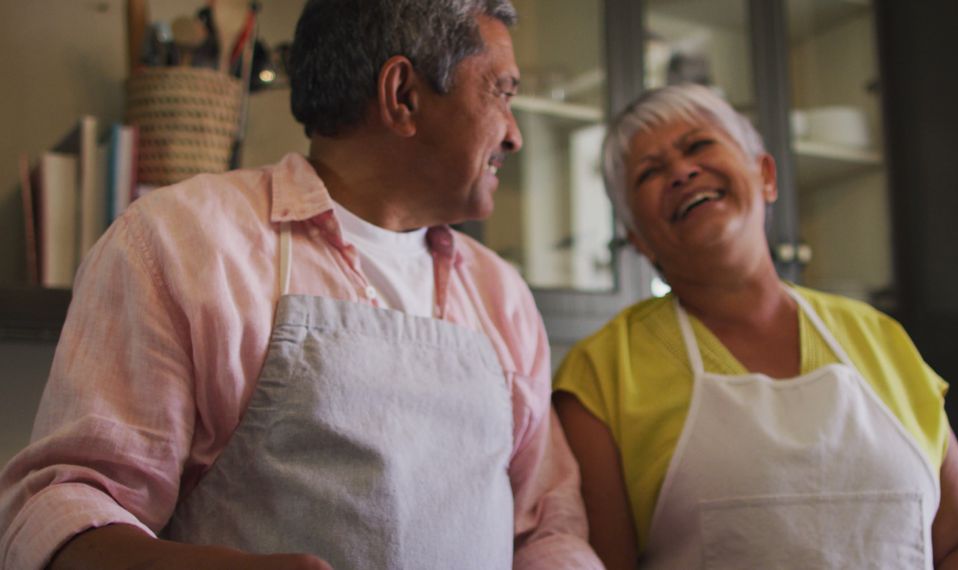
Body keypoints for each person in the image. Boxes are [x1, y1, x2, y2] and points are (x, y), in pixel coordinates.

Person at [0, 1, 603, 568]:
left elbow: (547, 526)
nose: (515, 134)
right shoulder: (187, 243)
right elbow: (64, 504)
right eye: (501, 94)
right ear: (403, 96)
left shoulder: (501, 294)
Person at [552, 83, 958, 569]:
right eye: (649, 172)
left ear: (766, 175)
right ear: (636, 239)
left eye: (699, 145)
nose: (682, 172)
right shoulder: (601, 374)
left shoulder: (880, 338)